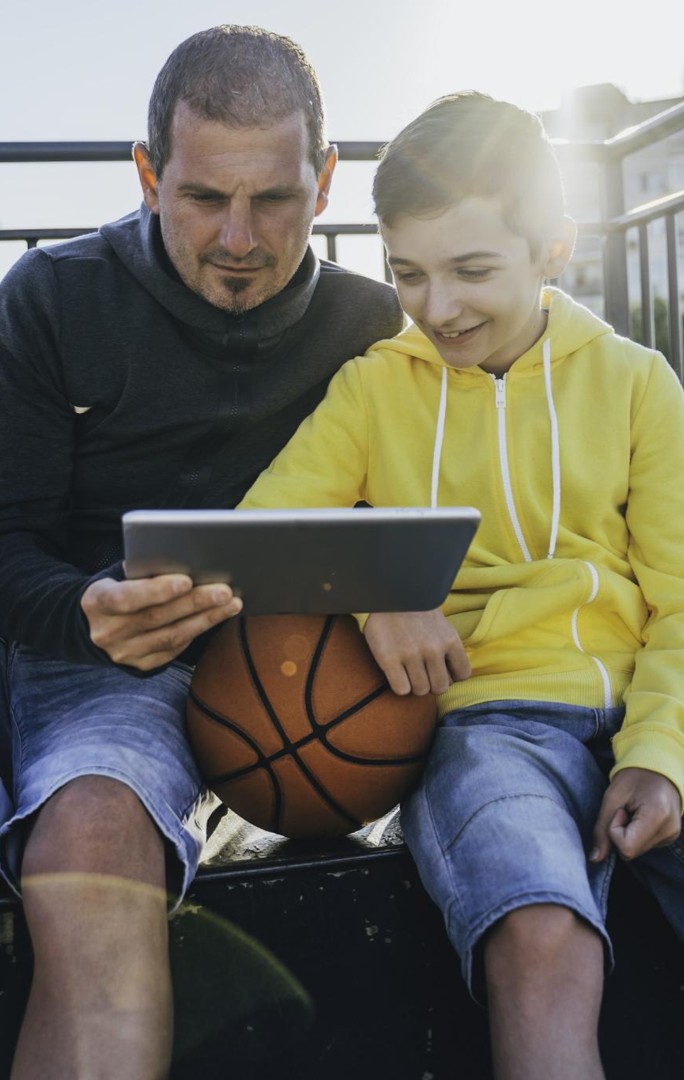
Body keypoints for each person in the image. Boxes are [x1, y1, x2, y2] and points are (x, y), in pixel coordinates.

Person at [239, 91, 684, 1078]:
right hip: (486, 724)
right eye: (409, 274)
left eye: (473, 270)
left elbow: (681, 597)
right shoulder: (372, 388)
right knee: (538, 930)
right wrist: (377, 590)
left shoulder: (637, 383)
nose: (439, 307)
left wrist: (659, 754)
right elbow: (262, 534)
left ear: (554, 248)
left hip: (652, 707)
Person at [0, 24, 402, 1079]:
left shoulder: (386, 330)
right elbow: (4, 542)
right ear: (146, 174)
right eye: (202, 198)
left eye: (273, 199)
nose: (239, 236)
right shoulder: (51, 298)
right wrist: (83, 607)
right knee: (93, 831)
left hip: (319, 674)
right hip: (100, 669)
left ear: (323, 182)